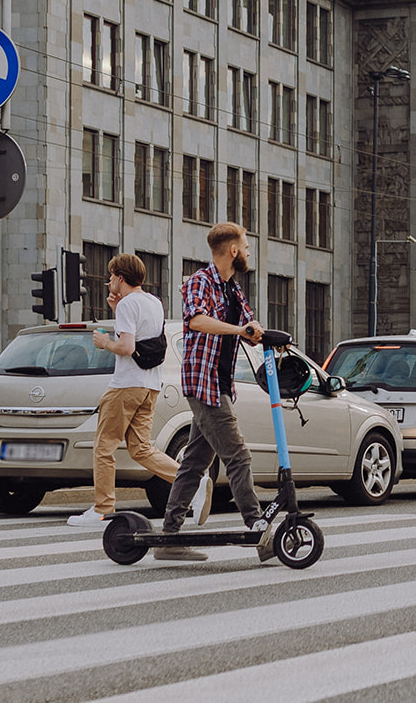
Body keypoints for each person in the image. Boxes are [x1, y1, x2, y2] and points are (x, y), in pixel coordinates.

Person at [158, 222, 275, 561]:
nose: (249, 252)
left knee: (194, 463)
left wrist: (264, 336)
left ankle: (170, 536)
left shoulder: (231, 289)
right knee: (238, 456)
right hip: (203, 384)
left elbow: (251, 327)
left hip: (221, 384)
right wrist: (240, 329)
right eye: (247, 246)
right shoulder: (200, 282)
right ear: (233, 250)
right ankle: (257, 528)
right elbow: (196, 320)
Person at [67, 254, 188, 527]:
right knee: (141, 449)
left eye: (111, 276)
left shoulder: (127, 305)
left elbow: (127, 347)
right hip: (150, 386)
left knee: (103, 447)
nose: (109, 280)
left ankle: (102, 509)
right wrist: (117, 309)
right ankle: (191, 480)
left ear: (121, 278)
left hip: (125, 385)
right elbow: (144, 338)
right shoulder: (153, 302)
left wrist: (103, 342)